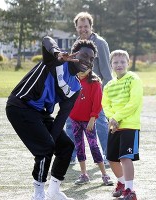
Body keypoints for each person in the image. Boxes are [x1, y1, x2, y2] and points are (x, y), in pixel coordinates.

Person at [6, 36, 97, 200]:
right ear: (74, 53)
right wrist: (57, 53)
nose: (88, 60)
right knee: (46, 147)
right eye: (85, 55)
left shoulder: (76, 88)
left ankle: (53, 191)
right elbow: (47, 40)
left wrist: (52, 139)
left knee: (66, 147)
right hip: (20, 106)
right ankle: (38, 194)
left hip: (40, 113)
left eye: (92, 59)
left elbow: (61, 118)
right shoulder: (56, 61)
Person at [66, 11, 112, 164]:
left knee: (100, 123)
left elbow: (106, 70)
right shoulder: (76, 44)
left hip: (95, 90)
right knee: (70, 122)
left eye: (86, 26)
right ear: (76, 28)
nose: (83, 29)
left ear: (91, 27)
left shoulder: (100, 43)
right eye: (80, 27)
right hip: (77, 90)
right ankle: (70, 155)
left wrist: (107, 93)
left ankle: (108, 154)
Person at [102, 50, 143, 199]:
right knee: (112, 158)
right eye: (115, 62)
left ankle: (130, 190)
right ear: (111, 65)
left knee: (125, 157)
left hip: (129, 126)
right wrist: (112, 118)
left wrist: (117, 117)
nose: (119, 65)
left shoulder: (133, 79)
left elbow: (134, 102)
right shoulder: (108, 85)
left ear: (128, 63)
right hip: (114, 126)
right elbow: (105, 104)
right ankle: (121, 182)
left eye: (122, 62)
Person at [68, 59, 113, 186]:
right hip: (74, 119)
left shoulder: (95, 83)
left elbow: (97, 103)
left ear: (90, 69)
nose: (81, 73)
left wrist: (92, 119)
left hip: (89, 121)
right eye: (79, 69)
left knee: (94, 146)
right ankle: (84, 175)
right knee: (79, 146)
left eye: (84, 70)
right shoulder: (72, 80)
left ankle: (104, 175)